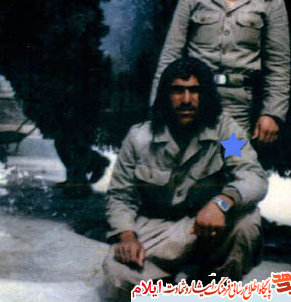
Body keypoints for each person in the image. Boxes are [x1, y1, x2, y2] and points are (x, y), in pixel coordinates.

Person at [104, 58, 268, 301]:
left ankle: (215, 289)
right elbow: (120, 196)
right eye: (177, 90)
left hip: (208, 227)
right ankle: (169, 284)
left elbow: (253, 176)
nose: (187, 100)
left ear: (205, 95)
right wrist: (127, 237)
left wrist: (221, 203)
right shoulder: (139, 138)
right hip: (159, 229)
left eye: (195, 90)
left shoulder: (224, 131)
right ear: (165, 95)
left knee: (247, 222)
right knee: (119, 278)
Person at [150, 0, 290, 145]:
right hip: (192, 99)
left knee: (233, 161)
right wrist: (157, 107)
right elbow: (170, 56)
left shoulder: (271, 3)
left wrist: (272, 113)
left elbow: (278, 66)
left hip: (238, 103)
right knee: (188, 160)